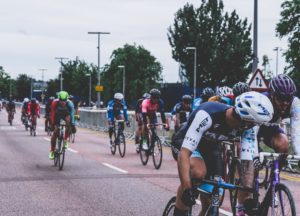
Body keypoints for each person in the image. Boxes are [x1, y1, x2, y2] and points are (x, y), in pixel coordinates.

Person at [172, 91, 274, 216]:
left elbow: (248, 161)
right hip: (184, 143)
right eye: (254, 123)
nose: (255, 126)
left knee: (214, 199)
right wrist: (187, 189)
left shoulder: (248, 127)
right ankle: (179, 212)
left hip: (211, 148)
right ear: (245, 118)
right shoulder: (207, 113)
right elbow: (185, 153)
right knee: (198, 173)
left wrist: (248, 196)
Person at [236, 74, 300, 215]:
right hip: (252, 130)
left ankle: (273, 183)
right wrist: (255, 156)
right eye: (281, 98)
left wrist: (299, 153)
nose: (285, 103)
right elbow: (252, 136)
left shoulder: (294, 103)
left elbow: (297, 132)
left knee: (283, 144)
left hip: (270, 129)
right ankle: (240, 205)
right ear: (272, 94)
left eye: (288, 99)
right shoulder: (261, 101)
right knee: (249, 175)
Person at [49, 91, 75, 160]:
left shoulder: (70, 104)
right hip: (57, 116)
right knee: (55, 134)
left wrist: (73, 124)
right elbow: (52, 114)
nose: (63, 102)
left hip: (66, 115)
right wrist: (52, 124)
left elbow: (72, 114)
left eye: (64, 100)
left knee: (69, 122)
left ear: (67, 99)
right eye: (61, 100)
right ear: (58, 99)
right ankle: (52, 151)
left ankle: (65, 140)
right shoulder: (54, 103)